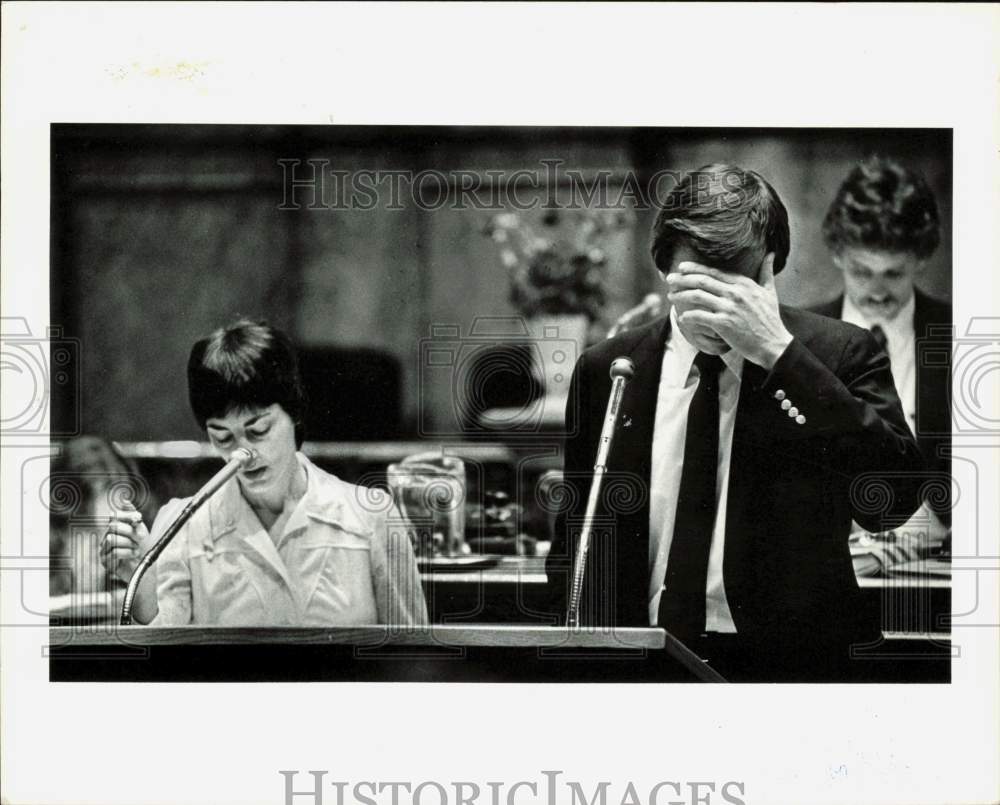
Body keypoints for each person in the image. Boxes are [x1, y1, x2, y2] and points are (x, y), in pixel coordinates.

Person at [544, 164, 925, 682]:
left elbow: (893, 500)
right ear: (663, 269)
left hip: (788, 668)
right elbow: (576, 542)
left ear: (771, 270)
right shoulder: (606, 370)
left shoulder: (838, 354)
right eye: (697, 289)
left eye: (735, 291)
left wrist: (777, 354)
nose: (715, 316)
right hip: (639, 661)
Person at [100, 319, 428, 627]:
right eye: (222, 436)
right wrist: (140, 579)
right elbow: (164, 666)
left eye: (258, 430)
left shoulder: (371, 515)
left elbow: (413, 654)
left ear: (294, 413)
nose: (241, 454)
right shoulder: (182, 526)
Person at [812, 156, 952, 531]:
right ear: (837, 255)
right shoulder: (798, 340)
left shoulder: (962, 335)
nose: (876, 291)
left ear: (921, 259)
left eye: (893, 273)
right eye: (862, 271)